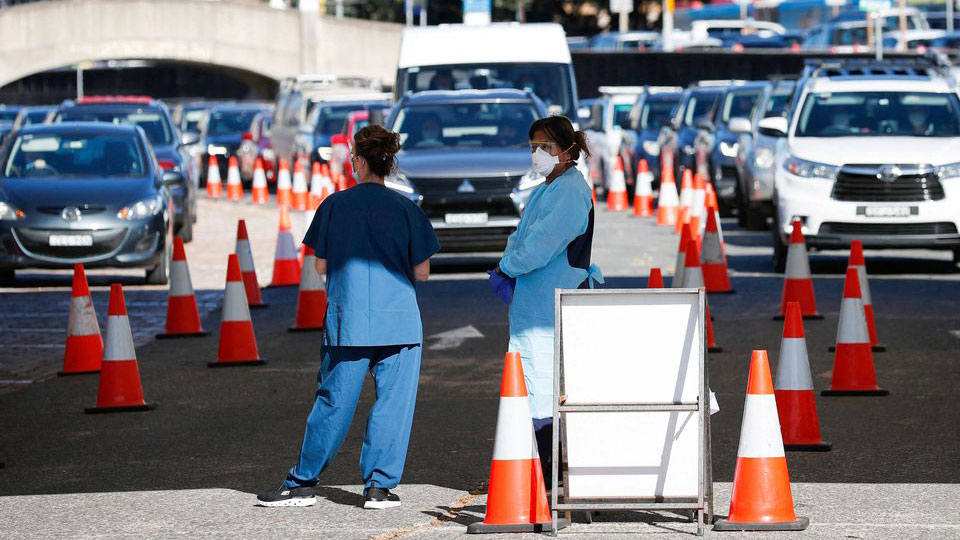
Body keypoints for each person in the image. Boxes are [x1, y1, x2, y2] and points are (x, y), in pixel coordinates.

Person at [257, 125, 440, 509]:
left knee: (333, 404)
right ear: (389, 162)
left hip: (349, 319)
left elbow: (320, 264)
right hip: (401, 322)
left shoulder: (334, 206)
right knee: (392, 406)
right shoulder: (407, 208)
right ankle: (378, 488)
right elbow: (421, 272)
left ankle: (303, 483)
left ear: (358, 160)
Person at [490, 116, 602, 485]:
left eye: (546, 148)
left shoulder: (570, 190)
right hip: (534, 300)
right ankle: (546, 473)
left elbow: (538, 245)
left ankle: (554, 477)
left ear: (568, 151)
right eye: (533, 147)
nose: (538, 154)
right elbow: (520, 235)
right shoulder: (546, 188)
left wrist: (508, 266)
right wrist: (509, 263)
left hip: (552, 302)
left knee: (545, 388)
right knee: (535, 384)